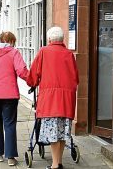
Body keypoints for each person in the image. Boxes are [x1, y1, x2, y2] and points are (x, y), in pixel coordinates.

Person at [26, 27, 79, 169]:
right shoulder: (69, 54)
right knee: (62, 133)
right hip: (66, 100)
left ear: (49, 39)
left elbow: (33, 74)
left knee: (53, 133)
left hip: (50, 100)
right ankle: (59, 162)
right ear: (62, 40)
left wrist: (31, 83)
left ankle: (55, 165)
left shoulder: (44, 51)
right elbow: (75, 78)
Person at [0, 31, 29, 167]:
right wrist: (32, 81)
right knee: (9, 124)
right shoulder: (14, 53)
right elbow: (21, 71)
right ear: (12, 41)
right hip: (9, 94)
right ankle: (10, 157)